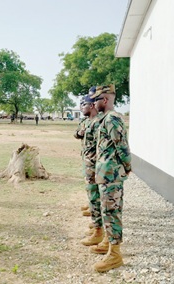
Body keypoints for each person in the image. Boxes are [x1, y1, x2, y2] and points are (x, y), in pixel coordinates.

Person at [90, 84, 132, 272]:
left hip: (111, 174)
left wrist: (127, 166)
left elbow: (121, 145)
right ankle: (108, 242)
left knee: (112, 212)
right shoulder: (105, 118)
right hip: (104, 173)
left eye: (97, 99)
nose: (94, 103)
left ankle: (115, 255)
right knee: (106, 211)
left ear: (105, 100)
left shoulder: (113, 118)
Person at [79, 92, 106, 248]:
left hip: (95, 165)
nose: (83, 107)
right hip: (89, 164)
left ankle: (99, 231)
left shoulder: (98, 122)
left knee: (96, 198)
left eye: (86, 104)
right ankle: (98, 228)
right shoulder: (89, 122)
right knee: (93, 197)